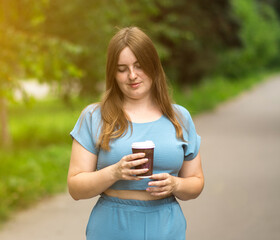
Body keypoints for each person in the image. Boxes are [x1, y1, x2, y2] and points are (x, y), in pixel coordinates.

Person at [68, 26, 204, 240]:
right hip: (111, 226)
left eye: (139, 66)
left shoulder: (180, 118)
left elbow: (196, 182)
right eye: (122, 69)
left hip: (165, 226)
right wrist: (114, 172)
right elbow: (75, 188)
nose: (132, 75)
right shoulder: (94, 116)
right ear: (113, 73)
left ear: (153, 66)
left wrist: (175, 184)